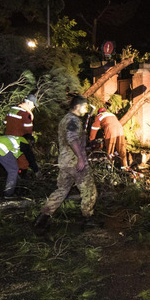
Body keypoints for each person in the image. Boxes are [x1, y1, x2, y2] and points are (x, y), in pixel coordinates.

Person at [33, 95, 99, 234]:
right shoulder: (72, 120)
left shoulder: (65, 119)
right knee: (89, 190)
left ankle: (42, 219)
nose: (86, 109)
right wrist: (81, 158)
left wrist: (84, 147)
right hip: (75, 163)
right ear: (78, 106)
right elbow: (71, 139)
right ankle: (87, 219)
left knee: (61, 190)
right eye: (85, 106)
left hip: (64, 162)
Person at [4, 95, 40, 177]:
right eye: (33, 104)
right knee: (23, 161)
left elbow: (5, 123)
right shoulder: (26, 114)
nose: (33, 107)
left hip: (7, 140)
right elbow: (28, 133)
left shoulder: (12, 110)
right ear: (28, 102)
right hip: (20, 141)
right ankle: (21, 180)